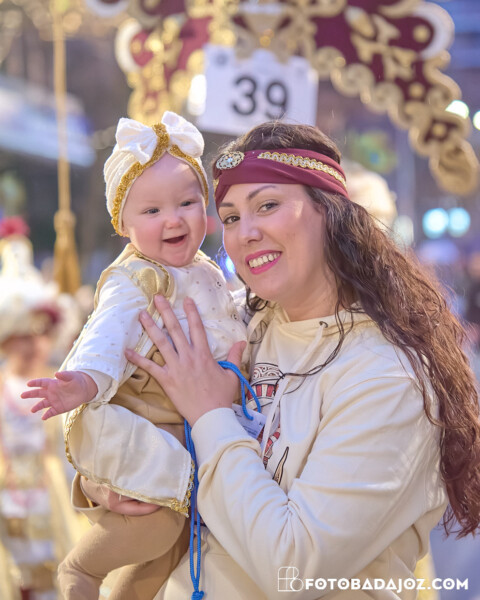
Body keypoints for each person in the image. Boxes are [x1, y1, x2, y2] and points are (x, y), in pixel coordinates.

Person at [76, 121, 480, 600]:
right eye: (229, 217)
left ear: (329, 211)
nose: (245, 233)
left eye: (267, 205)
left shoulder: (387, 376)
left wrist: (210, 416)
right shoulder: (235, 322)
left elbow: (294, 568)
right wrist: (109, 482)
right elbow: (132, 407)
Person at [22, 112, 247, 600]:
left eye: (187, 202)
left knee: (173, 546)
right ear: (123, 225)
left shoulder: (207, 269)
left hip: (191, 423)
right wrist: (84, 381)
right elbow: (105, 336)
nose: (174, 219)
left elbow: (228, 316)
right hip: (152, 423)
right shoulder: (135, 279)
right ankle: (81, 571)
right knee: (156, 524)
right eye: (152, 211)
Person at [0, 217, 85, 600]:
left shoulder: (64, 388)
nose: (32, 345)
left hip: (56, 507)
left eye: (41, 334)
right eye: (22, 336)